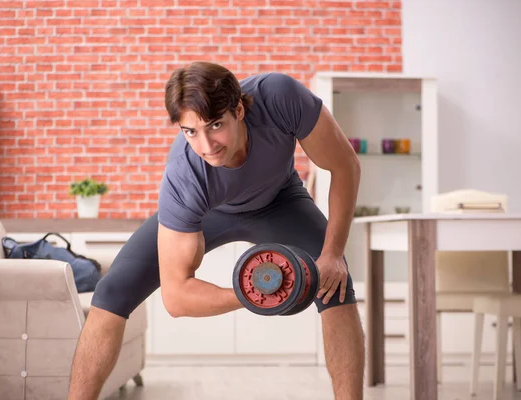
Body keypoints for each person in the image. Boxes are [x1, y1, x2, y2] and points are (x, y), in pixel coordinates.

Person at [68, 61, 365, 399]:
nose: (207, 146)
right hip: (208, 213)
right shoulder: (184, 178)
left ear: (239, 108)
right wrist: (249, 295)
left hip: (280, 200)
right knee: (111, 292)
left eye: (216, 125)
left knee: (337, 286)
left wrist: (333, 254)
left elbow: (344, 167)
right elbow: (177, 298)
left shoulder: (279, 97)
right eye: (190, 131)